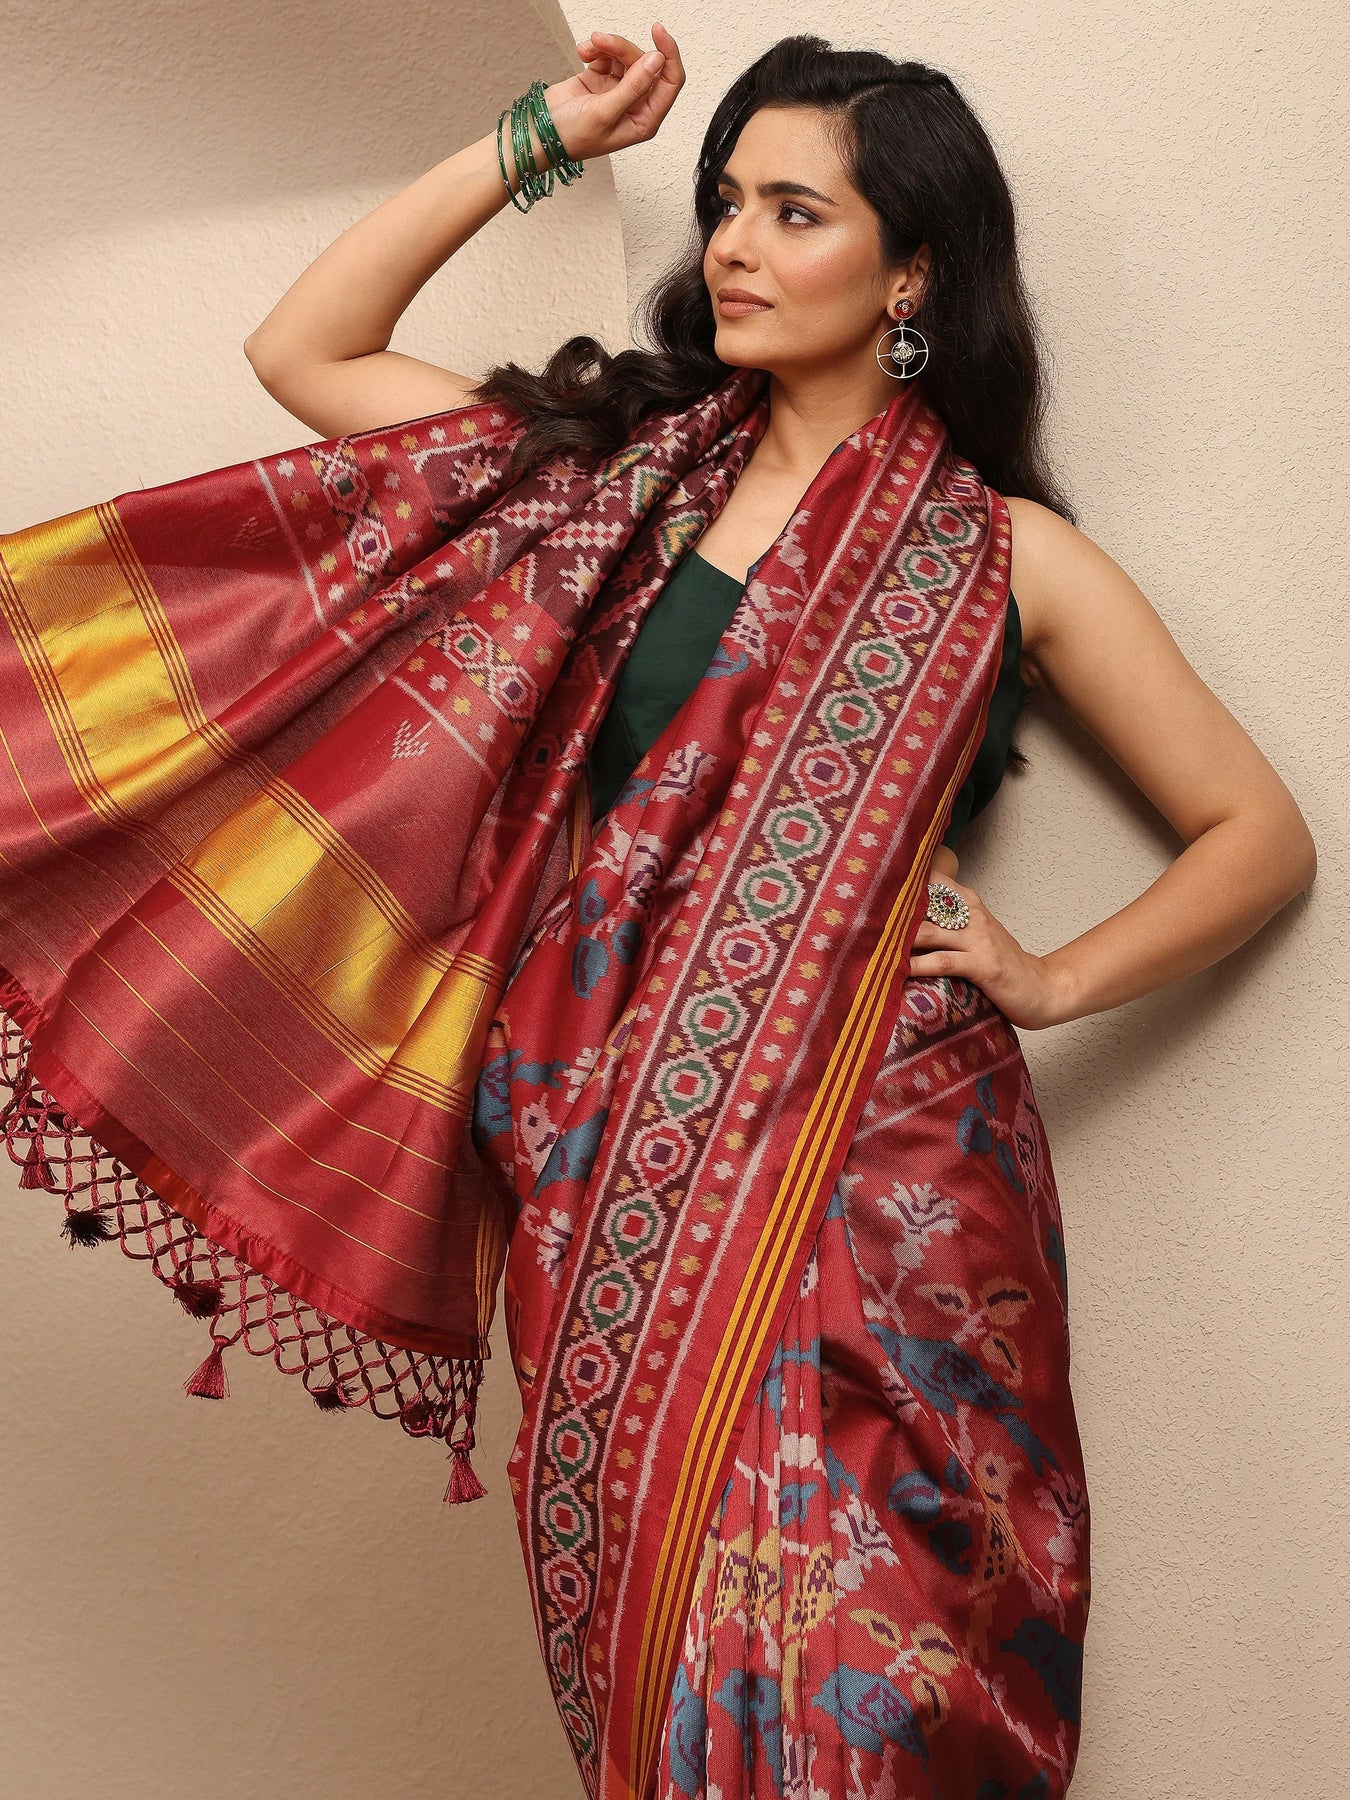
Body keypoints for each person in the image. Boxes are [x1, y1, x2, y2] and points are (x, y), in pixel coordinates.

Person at [0, 25, 1315, 1800]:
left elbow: (1256, 835)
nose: (735, 246)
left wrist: (1051, 973)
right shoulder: (597, 478)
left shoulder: (1011, 559)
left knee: (891, 1672)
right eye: (723, 202)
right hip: (604, 1139)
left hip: (885, 1158)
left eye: (795, 212)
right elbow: (304, 351)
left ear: (910, 272)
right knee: (665, 1641)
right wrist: (537, 137)